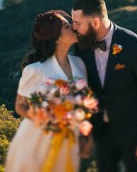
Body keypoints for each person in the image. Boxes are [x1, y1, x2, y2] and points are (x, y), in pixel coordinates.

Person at [72, 0, 137, 172]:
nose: (74, 28)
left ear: (96, 22)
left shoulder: (134, 45)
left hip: (135, 134)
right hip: (102, 135)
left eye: (77, 23)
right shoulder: (81, 47)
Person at [5, 10, 88, 172]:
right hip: (38, 139)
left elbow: (82, 104)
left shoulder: (79, 64)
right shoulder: (36, 70)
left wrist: (84, 134)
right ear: (56, 37)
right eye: (66, 26)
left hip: (69, 140)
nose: (73, 27)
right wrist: (50, 122)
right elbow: (20, 106)